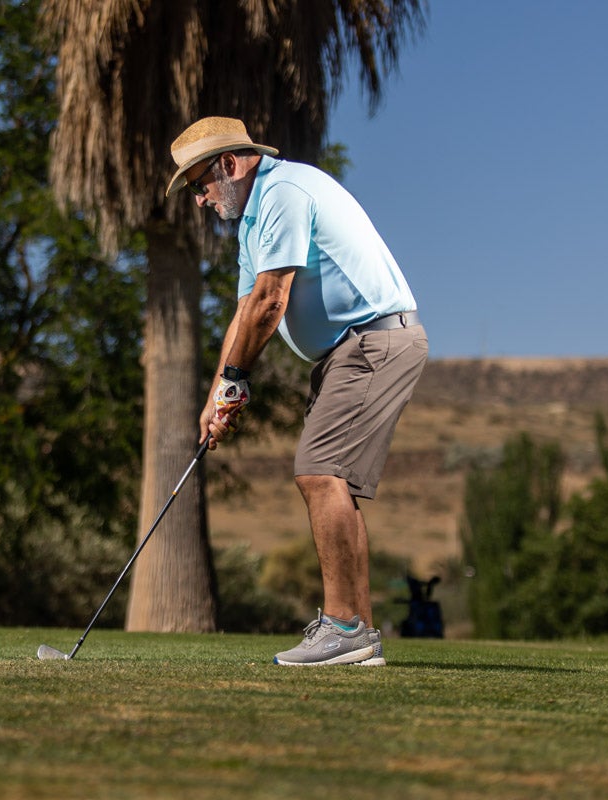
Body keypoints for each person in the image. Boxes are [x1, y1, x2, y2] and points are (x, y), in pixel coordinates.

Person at [166, 116, 428, 666]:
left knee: (317, 470)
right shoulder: (253, 221)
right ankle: (357, 634)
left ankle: (344, 628)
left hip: (373, 340)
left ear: (229, 165)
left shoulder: (283, 192)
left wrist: (236, 381)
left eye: (199, 184)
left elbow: (270, 300)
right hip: (349, 351)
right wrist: (217, 398)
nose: (199, 200)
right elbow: (243, 313)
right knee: (332, 481)